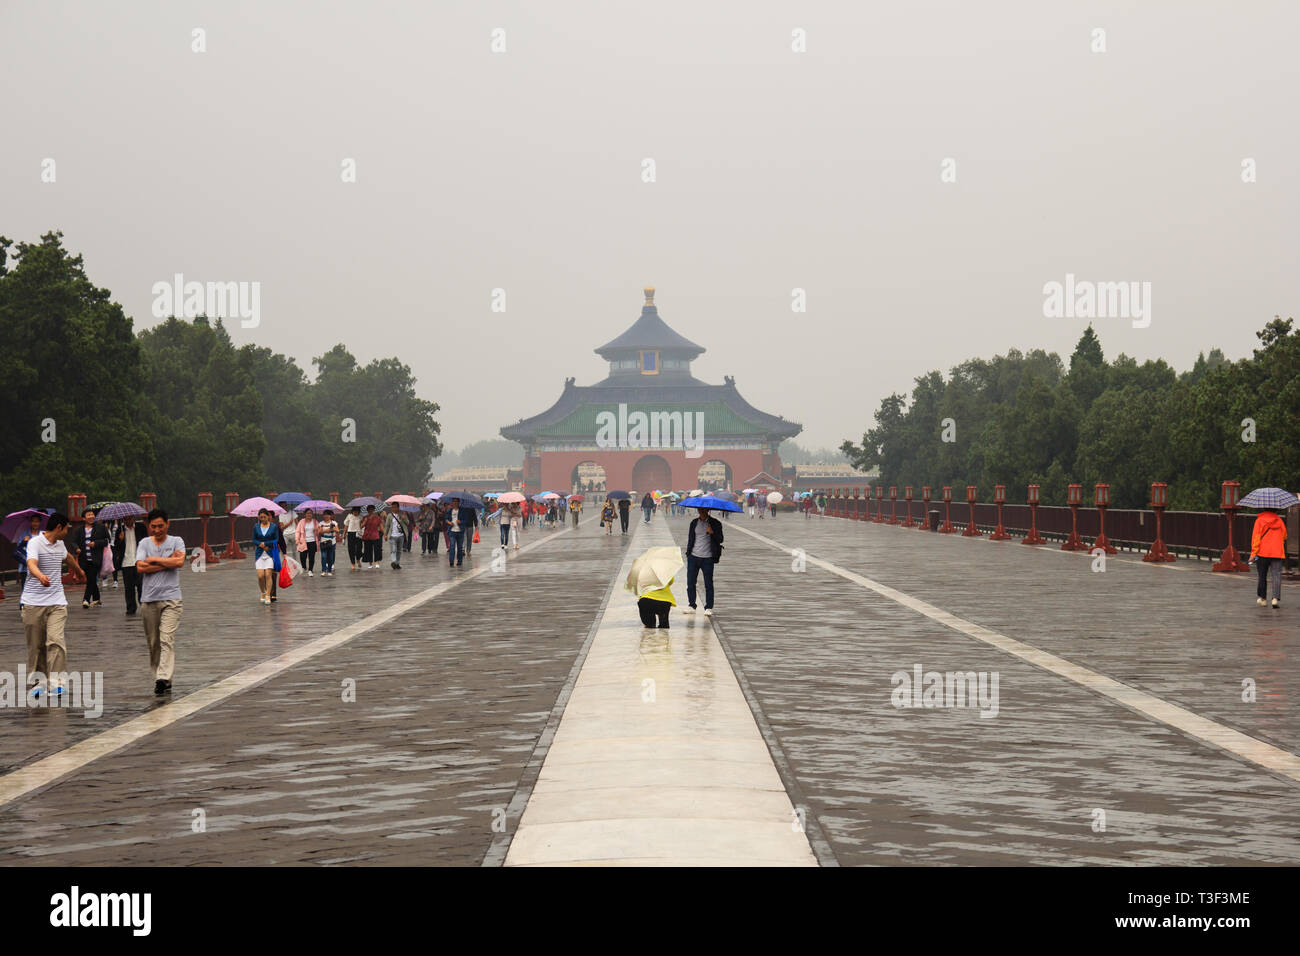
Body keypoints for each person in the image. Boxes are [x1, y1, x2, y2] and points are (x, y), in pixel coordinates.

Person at [21, 512, 84, 699]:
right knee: (36, 645)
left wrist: (79, 571)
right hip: (33, 603)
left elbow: (68, 558)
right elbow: (31, 563)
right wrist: (40, 576)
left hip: (56, 601)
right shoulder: (35, 543)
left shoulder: (60, 545)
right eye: (66, 529)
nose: (67, 532)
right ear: (59, 527)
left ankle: (57, 684)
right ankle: (38, 682)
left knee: (56, 641)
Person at [135, 508, 185, 695]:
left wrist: (154, 559)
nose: (157, 530)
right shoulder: (144, 543)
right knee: (154, 642)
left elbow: (179, 562)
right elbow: (140, 567)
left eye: (160, 526)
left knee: (166, 639)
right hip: (149, 599)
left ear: (167, 524)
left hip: (171, 598)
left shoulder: (176, 541)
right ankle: (160, 676)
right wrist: (167, 561)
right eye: (153, 526)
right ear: (149, 526)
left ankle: (163, 677)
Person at [684, 507, 723, 616]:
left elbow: (720, 539)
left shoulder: (715, 523)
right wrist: (688, 553)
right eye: (700, 510)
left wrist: (712, 532)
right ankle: (692, 605)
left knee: (708, 584)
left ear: (708, 511)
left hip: (708, 558)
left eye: (704, 510)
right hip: (694, 557)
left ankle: (709, 607)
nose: (702, 512)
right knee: (690, 583)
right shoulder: (694, 523)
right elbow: (690, 539)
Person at [1249, 508, 1288, 609]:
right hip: (1277, 552)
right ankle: (1275, 598)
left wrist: (1253, 553)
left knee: (1262, 575)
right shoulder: (1279, 520)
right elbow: (1284, 535)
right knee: (1276, 576)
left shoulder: (1259, 521)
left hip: (1262, 553)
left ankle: (1263, 599)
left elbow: (1256, 539)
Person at [73, 508, 109, 608]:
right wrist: (76, 548)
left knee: (91, 578)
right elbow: (73, 542)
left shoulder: (100, 527)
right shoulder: (79, 530)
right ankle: (97, 599)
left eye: (92, 514)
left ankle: (86, 600)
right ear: (84, 518)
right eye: (88, 515)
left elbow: (106, 541)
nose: (91, 516)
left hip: (96, 559)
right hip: (84, 559)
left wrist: (96, 543)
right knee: (91, 579)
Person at [112, 516, 145, 614]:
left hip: (139, 561)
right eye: (125, 519)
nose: (128, 521)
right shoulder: (120, 529)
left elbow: (146, 541)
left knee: (141, 586)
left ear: (133, 518)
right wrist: (120, 539)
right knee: (129, 588)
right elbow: (115, 545)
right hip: (126, 562)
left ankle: (144, 605)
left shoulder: (140, 527)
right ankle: (131, 608)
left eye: (130, 519)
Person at [14, 512, 44, 609]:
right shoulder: (24, 533)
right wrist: (23, 541)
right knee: (25, 585)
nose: (35, 523)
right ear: (30, 522)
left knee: (38, 585)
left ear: (40, 523)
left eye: (37, 521)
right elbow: (18, 549)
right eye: (33, 521)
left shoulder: (43, 534)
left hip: (39, 564)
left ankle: (37, 603)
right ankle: (23, 603)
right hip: (25, 565)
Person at [251, 508, 281, 605]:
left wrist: (267, 544)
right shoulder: (256, 527)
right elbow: (253, 539)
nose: (263, 519)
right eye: (261, 517)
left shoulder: (273, 527)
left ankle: (268, 594)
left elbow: (276, 539)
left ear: (268, 516)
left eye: (264, 517)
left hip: (270, 553)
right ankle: (263, 592)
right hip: (259, 553)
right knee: (260, 576)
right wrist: (260, 544)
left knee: (268, 574)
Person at [385, 502, 409, 569]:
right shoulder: (389, 515)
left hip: (401, 535)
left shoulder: (402, 514)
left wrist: (404, 518)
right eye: (392, 507)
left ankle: (397, 563)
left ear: (398, 507)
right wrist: (385, 535)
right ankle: (393, 562)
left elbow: (407, 523)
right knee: (393, 550)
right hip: (392, 535)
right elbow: (387, 526)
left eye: (395, 507)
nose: (394, 508)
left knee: (399, 551)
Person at [296, 507, 319, 576]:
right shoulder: (301, 521)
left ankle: (310, 570)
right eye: (307, 513)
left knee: (311, 556)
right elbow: (298, 531)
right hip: (303, 541)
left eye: (310, 513)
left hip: (312, 541)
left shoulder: (315, 522)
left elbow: (318, 532)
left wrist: (317, 529)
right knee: (302, 556)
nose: (309, 514)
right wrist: (297, 539)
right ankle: (304, 567)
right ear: (305, 514)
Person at [361, 505, 383, 569]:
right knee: (368, 550)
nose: (370, 511)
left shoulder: (377, 518)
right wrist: (365, 521)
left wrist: (385, 534)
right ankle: (370, 563)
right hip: (367, 536)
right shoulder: (365, 517)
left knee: (377, 549)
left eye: (372, 509)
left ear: (374, 510)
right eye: (369, 510)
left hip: (375, 535)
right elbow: (361, 526)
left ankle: (377, 562)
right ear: (367, 510)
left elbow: (381, 526)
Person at [318, 509, 339, 576]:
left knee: (330, 556)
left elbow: (337, 530)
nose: (326, 516)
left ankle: (329, 571)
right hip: (323, 541)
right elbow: (319, 532)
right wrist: (328, 530)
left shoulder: (334, 523)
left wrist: (331, 528)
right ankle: (323, 570)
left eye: (328, 514)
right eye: (325, 514)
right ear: (323, 515)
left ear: (330, 516)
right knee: (323, 556)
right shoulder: (321, 523)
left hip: (332, 541)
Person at [446, 497, 466, 567]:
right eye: (453, 501)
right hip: (452, 531)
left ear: (458, 502)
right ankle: (451, 561)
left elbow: (465, 520)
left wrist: (461, 522)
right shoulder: (449, 510)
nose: (455, 502)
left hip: (460, 531)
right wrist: (449, 522)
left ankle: (459, 561)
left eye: (456, 501)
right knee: (452, 546)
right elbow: (446, 519)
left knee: (460, 547)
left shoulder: (462, 511)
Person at [345, 505, 363, 571]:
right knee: (351, 549)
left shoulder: (361, 517)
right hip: (350, 533)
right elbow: (346, 525)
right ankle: (353, 563)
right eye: (354, 511)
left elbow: (362, 525)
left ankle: (358, 559)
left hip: (358, 533)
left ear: (359, 511)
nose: (356, 513)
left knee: (359, 548)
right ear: (352, 511)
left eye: (357, 511)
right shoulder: (349, 516)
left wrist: (363, 522)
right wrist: (344, 534)